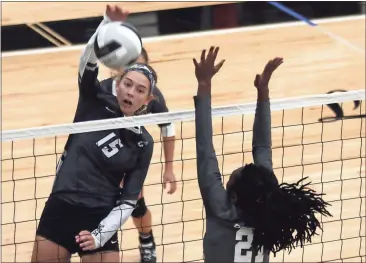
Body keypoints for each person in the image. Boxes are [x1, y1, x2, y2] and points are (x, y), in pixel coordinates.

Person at [31, 5, 157, 263]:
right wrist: (106, 25)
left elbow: (128, 201)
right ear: (117, 84)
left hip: (101, 216)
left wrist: (99, 236)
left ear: (148, 98)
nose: (131, 92)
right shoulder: (94, 100)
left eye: (139, 89)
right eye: (127, 84)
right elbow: (86, 62)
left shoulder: (144, 141)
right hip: (62, 208)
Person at [192, 46, 332, 262]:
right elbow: (262, 148)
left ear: (234, 195)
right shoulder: (265, 200)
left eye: (236, 175)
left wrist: (204, 84)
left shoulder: (220, 206)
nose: (241, 167)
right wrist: (263, 92)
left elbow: (205, 146)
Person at [99, 46, 177, 263]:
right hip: (99, 156)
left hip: (130, 157)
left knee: (135, 204)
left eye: (143, 67)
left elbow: (168, 127)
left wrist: (168, 168)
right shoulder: (103, 91)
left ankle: (146, 239)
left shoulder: (152, 97)